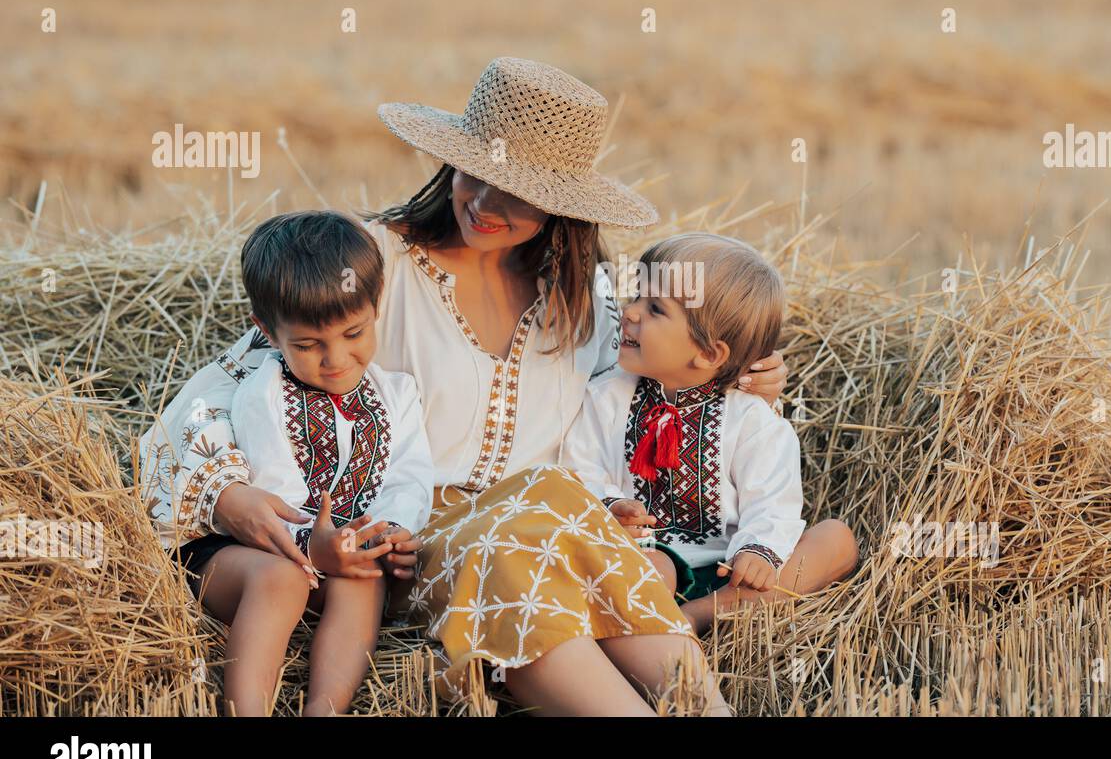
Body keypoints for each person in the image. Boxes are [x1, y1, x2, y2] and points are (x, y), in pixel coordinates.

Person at [141, 56, 789, 716]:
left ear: (561, 208)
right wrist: (225, 495)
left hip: (537, 539)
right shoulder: (371, 264)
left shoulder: (587, 301)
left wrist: (736, 381)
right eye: (471, 174)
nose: (482, 203)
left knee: (551, 517)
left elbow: (647, 398)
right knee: (536, 517)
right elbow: (220, 389)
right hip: (403, 544)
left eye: (514, 194)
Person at [151, 210, 435, 715]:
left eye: (354, 333)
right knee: (281, 581)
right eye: (307, 345)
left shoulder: (398, 394)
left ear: (376, 307)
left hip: (331, 552)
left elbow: (408, 474)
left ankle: (324, 710)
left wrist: (389, 530)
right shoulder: (263, 393)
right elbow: (275, 493)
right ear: (267, 331)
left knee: (363, 580)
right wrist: (317, 548)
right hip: (248, 553)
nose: (335, 359)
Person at [561, 233, 858, 635]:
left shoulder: (753, 419)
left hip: (729, 570)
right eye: (635, 297)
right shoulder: (607, 397)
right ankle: (684, 616)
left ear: (709, 354)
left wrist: (758, 551)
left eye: (654, 309)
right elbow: (579, 468)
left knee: (837, 540)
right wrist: (611, 506)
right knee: (651, 569)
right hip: (651, 556)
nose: (629, 313)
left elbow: (773, 501)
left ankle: (702, 613)